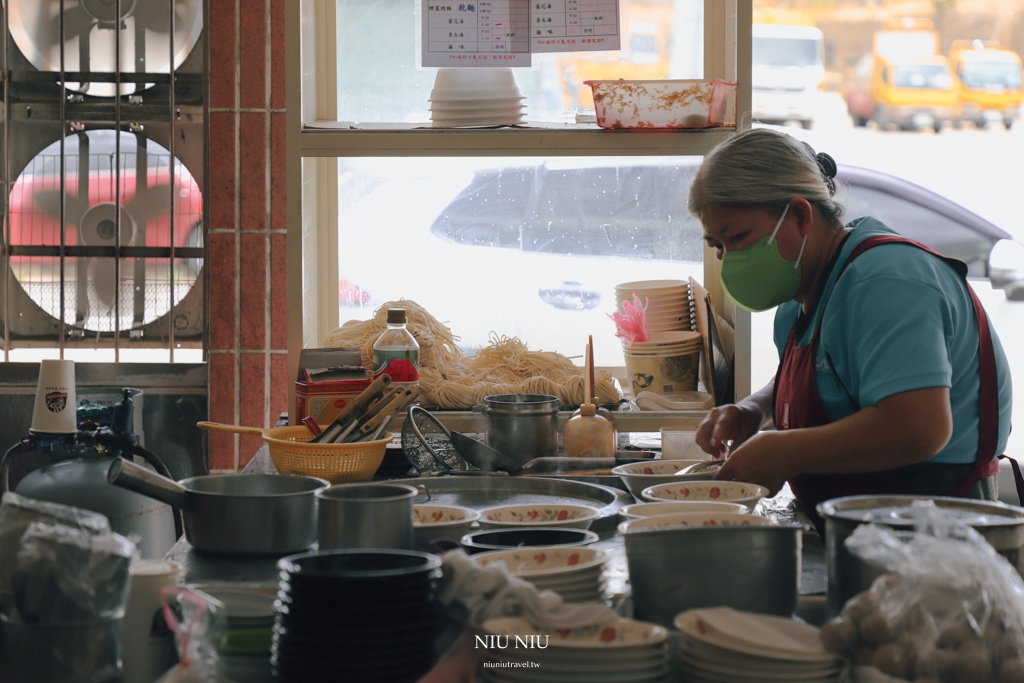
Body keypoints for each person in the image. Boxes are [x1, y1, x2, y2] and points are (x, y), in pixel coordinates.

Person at [689, 128, 1014, 530]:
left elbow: (918, 428)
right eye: (717, 245)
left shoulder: (885, 281)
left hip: (935, 532)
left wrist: (782, 450)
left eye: (738, 237)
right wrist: (753, 410)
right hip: (853, 526)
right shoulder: (801, 297)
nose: (729, 259)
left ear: (800, 214)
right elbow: (830, 381)